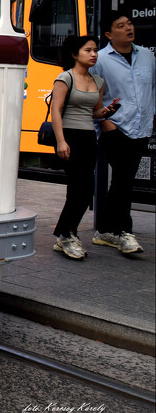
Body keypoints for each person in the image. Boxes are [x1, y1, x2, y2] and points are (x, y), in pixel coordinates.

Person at [90, 13, 155, 255]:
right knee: (125, 179)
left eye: (129, 23)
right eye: (121, 25)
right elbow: (91, 92)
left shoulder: (147, 56)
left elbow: (153, 88)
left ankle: (105, 231)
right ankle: (125, 233)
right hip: (115, 128)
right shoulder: (101, 60)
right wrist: (105, 122)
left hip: (142, 128)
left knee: (122, 180)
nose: (128, 28)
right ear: (109, 34)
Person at [50, 36, 117, 259]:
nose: (94, 54)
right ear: (74, 54)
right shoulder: (65, 78)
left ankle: (66, 234)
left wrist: (106, 112)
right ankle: (67, 235)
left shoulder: (97, 81)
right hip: (69, 135)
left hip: (89, 137)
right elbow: (56, 111)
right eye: (87, 50)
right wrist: (61, 141)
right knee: (78, 188)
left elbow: (94, 112)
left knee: (85, 189)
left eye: (95, 50)